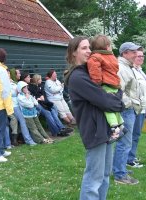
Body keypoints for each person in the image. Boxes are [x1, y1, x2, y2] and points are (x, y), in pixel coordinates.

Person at [65, 36, 124, 200]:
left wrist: (117, 98)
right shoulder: (78, 77)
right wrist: (119, 103)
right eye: (84, 48)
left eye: (89, 48)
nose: (89, 51)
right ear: (73, 52)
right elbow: (105, 100)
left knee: (105, 175)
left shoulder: (90, 72)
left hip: (105, 129)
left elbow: (115, 89)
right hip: (94, 131)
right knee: (94, 178)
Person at [113, 42, 145, 184]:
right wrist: (129, 104)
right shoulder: (121, 67)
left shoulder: (128, 67)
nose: (135, 55)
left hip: (130, 110)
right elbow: (118, 89)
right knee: (124, 143)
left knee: (125, 142)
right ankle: (120, 175)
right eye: (133, 52)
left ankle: (120, 169)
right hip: (127, 110)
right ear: (125, 53)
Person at [87, 35, 127, 143]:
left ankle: (115, 128)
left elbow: (95, 73)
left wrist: (96, 85)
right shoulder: (112, 56)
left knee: (107, 108)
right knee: (114, 107)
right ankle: (122, 125)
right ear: (107, 46)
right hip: (115, 84)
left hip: (105, 84)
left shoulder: (95, 57)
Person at [21, 72, 73, 137]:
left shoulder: (38, 85)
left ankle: (61, 128)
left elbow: (40, 93)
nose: (30, 78)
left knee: (53, 111)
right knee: (48, 113)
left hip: (42, 102)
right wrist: (39, 98)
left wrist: (41, 96)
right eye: (28, 77)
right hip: (36, 104)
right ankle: (58, 131)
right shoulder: (28, 86)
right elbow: (31, 96)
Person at [7, 69, 37, 146]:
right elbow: (8, 94)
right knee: (23, 120)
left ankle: (28, 138)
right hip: (14, 105)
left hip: (19, 104)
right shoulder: (4, 83)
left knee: (26, 119)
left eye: (9, 73)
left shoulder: (13, 82)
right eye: (7, 73)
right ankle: (28, 140)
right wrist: (18, 91)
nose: (8, 75)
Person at [127, 49, 146, 168]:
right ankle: (129, 159)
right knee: (134, 135)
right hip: (136, 107)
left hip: (143, 107)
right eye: (138, 56)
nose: (141, 58)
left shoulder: (140, 71)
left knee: (137, 134)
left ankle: (131, 156)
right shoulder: (131, 71)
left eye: (142, 56)